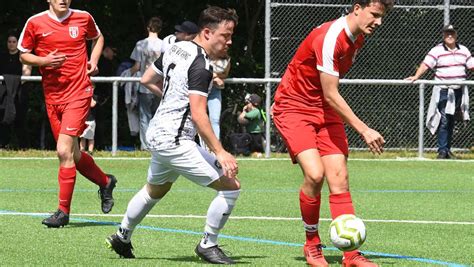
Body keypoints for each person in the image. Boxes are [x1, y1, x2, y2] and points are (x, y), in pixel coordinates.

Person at [106, 6, 240, 264]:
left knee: (154, 191)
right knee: (231, 186)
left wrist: (171, 100)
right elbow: (200, 115)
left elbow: (146, 78)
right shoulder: (202, 65)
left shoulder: (177, 47)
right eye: (226, 35)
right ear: (208, 32)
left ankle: (122, 236)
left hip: (158, 135)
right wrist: (221, 152)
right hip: (176, 141)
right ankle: (207, 244)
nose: (230, 41)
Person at [272, 1, 392, 266]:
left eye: (382, 17)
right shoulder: (330, 37)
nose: (379, 22)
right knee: (315, 174)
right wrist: (364, 129)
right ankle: (312, 245)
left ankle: (350, 254)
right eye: (375, 15)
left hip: (324, 110)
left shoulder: (358, 38)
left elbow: (326, 94)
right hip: (294, 107)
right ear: (357, 8)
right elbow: (330, 92)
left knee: (339, 177)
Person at [18, 0, 117, 228]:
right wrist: (43, 60)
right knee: (74, 154)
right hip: (53, 97)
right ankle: (105, 181)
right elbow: (24, 54)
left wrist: (93, 60)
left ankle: (63, 212)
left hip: (79, 92)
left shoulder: (83, 17)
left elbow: (98, 37)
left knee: (63, 151)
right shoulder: (35, 22)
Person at [406, 24, 473, 159]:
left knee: (451, 120)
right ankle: (442, 151)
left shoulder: (464, 50)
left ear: (456, 35)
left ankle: (447, 150)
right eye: (447, 33)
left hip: (458, 90)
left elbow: (471, 65)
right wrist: (416, 76)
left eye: (452, 33)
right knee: (443, 120)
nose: (450, 36)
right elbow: (426, 64)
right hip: (443, 90)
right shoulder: (437, 50)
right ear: (443, 35)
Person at [130, 17, 163, 150]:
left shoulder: (141, 44)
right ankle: (158, 144)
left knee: (145, 116)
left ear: (148, 28)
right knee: (159, 115)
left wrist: (126, 74)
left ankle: (145, 145)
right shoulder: (164, 44)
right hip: (160, 84)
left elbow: (137, 66)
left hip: (145, 85)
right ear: (160, 29)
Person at [0, 33, 32, 149]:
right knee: (3, 117)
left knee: (20, 119)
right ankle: (3, 144)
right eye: (9, 42)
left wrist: (14, 84)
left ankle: (24, 147)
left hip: (19, 92)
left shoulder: (23, 57)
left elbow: (27, 73)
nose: (11, 44)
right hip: (4, 93)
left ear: (17, 43)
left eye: (14, 42)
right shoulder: (2, 57)